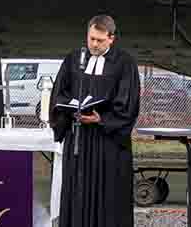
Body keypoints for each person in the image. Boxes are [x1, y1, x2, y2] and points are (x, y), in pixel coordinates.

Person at [49, 15, 140, 227]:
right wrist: (67, 111)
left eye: (99, 40)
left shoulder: (124, 63)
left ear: (111, 38)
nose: (94, 44)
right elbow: (59, 93)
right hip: (79, 139)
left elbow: (128, 103)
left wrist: (103, 119)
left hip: (108, 144)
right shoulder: (74, 59)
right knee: (78, 191)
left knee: (108, 196)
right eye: (91, 39)